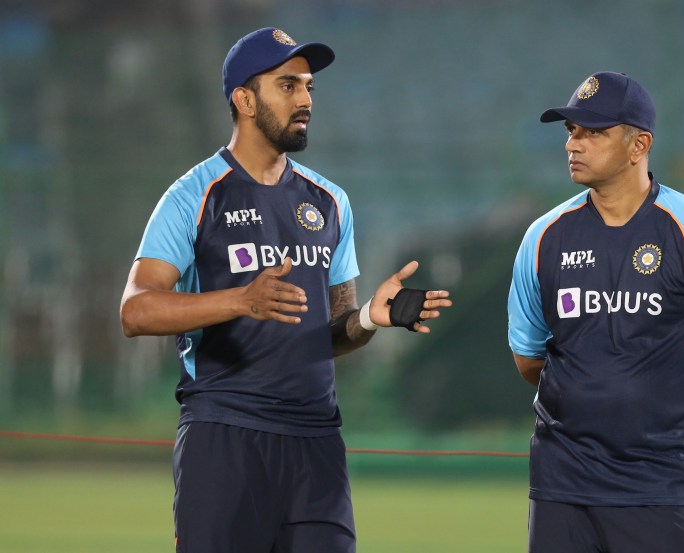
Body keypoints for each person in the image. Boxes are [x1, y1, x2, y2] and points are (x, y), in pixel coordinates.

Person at [120, 27, 452, 553]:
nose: (305, 101)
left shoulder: (329, 201)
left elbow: (334, 333)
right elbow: (135, 311)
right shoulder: (193, 196)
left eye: (309, 89)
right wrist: (238, 300)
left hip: (316, 442)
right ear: (244, 99)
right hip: (224, 435)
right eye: (288, 86)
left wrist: (369, 318)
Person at [507, 71, 684, 553]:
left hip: (663, 491)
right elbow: (528, 358)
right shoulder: (544, 237)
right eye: (571, 132)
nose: (573, 145)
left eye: (593, 132)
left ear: (638, 144)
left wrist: (661, 431)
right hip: (563, 490)